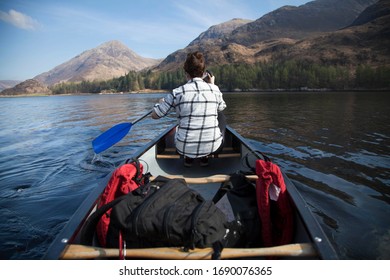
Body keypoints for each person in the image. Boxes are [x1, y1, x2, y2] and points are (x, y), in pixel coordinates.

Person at [152, 51, 226, 167]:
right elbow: (221, 107)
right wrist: (212, 84)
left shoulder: (177, 92)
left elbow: (155, 115)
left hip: (183, 148)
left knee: (179, 124)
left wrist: (160, 103)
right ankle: (204, 157)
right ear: (204, 73)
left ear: (186, 73)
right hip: (213, 146)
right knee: (220, 115)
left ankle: (189, 158)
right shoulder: (214, 90)